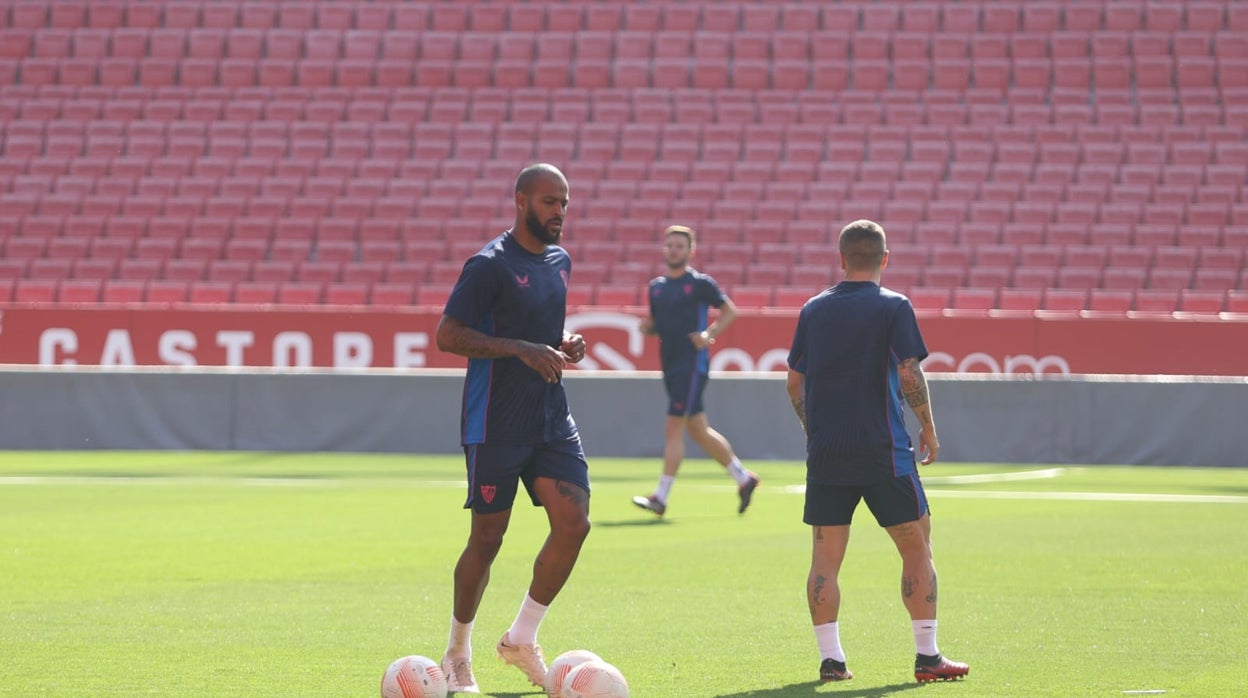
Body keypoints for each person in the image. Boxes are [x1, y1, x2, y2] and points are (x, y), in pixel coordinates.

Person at [784, 219, 969, 684]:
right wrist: (928, 427)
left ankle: (832, 661)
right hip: (885, 451)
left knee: (825, 558)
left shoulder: (813, 310)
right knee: (917, 545)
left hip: (828, 454)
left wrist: (814, 431)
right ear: (884, 259)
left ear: (842, 259)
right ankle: (927, 657)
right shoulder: (894, 306)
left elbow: (794, 381)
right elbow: (909, 372)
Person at [434, 163, 591, 693]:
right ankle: (457, 651)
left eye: (565, 203)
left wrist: (564, 341)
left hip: (549, 415)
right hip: (495, 419)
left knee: (574, 523)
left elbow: (539, 327)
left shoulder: (560, 261)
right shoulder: (488, 265)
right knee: (488, 538)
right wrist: (519, 349)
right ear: (521, 200)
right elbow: (448, 335)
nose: (560, 213)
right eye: (550, 202)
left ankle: (521, 638)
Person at [632, 225, 760, 518]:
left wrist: (708, 333)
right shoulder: (657, 287)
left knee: (673, 426)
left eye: (679, 246)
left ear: (691, 251)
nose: (674, 250)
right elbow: (656, 324)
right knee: (698, 430)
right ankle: (743, 478)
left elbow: (729, 310)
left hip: (691, 364)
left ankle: (661, 497)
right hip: (670, 362)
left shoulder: (700, 284)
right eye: (670, 245)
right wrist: (647, 327)